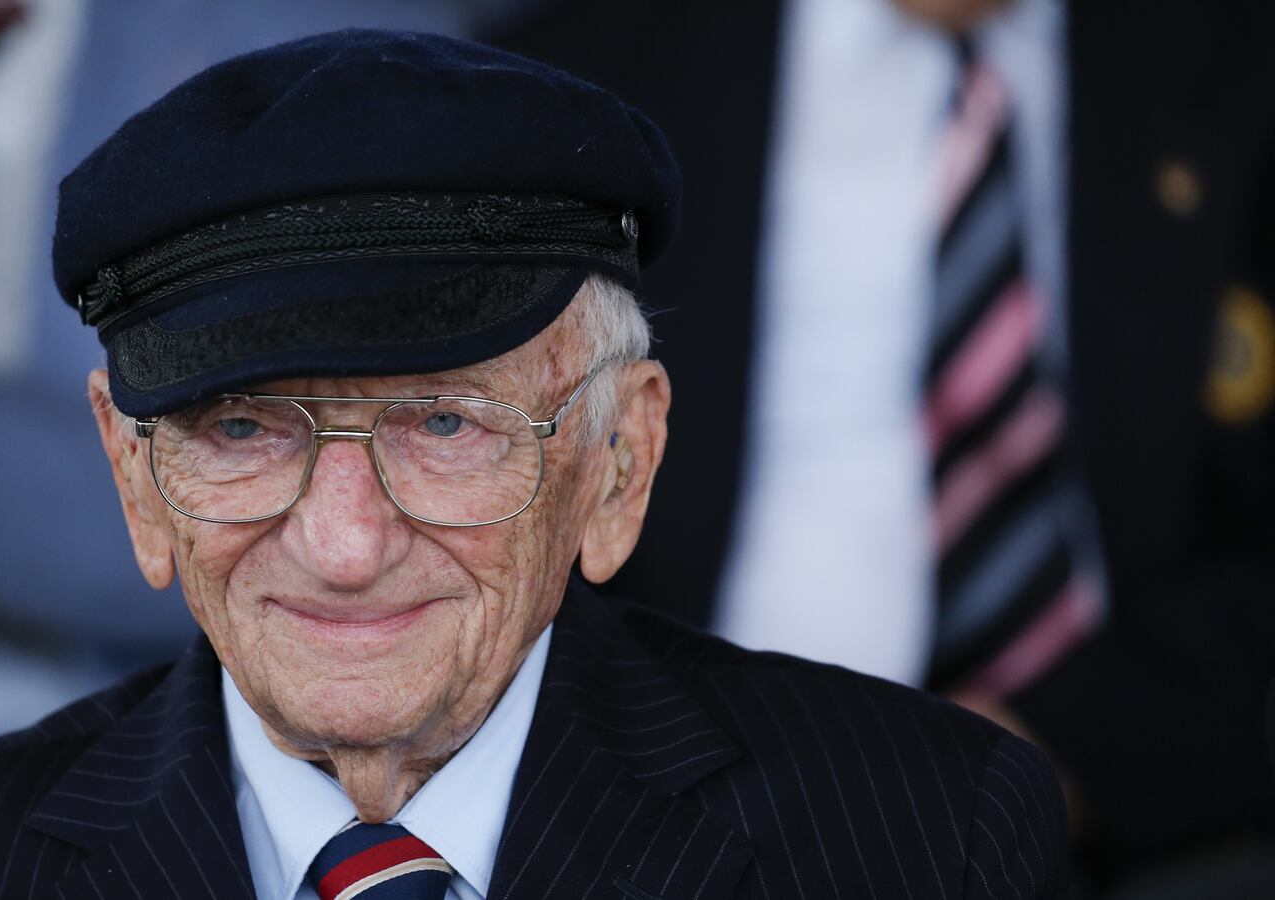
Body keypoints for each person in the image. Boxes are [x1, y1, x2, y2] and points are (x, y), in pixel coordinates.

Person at [0, 29, 1067, 900]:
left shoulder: (930, 844)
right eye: (245, 429)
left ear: (620, 459)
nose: (345, 541)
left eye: (445, 426)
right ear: (135, 479)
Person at [495, 0, 1275, 889]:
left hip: (1122, 821)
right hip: (690, 807)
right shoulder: (580, 74)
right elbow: (507, 493)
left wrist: (1052, 756)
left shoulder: (1231, 62)